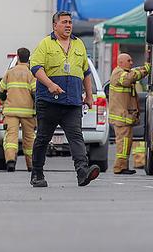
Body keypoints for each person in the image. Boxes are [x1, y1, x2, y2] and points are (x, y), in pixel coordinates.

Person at [29, 11, 100, 187]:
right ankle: (37, 173)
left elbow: (85, 72)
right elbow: (36, 67)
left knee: (76, 137)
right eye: (64, 22)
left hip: (73, 102)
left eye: (70, 22)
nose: (68, 25)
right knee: (43, 138)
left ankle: (82, 172)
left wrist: (89, 95)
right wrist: (50, 84)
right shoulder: (46, 44)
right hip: (49, 101)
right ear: (55, 25)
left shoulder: (79, 44)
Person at [108, 53, 150, 174]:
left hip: (124, 118)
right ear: (120, 62)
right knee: (123, 143)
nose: (131, 62)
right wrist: (146, 69)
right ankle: (119, 167)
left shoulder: (125, 72)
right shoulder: (119, 73)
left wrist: (143, 68)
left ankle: (123, 167)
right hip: (121, 118)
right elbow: (129, 78)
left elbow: (134, 72)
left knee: (126, 143)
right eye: (129, 60)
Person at [0, 47, 37, 172]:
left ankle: (10, 161)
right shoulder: (31, 74)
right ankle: (31, 165)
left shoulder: (10, 72)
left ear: (18, 57)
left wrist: (5, 101)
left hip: (11, 112)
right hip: (28, 112)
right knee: (29, 138)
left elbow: (1, 91)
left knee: (11, 137)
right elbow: (35, 93)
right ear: (29, 58)